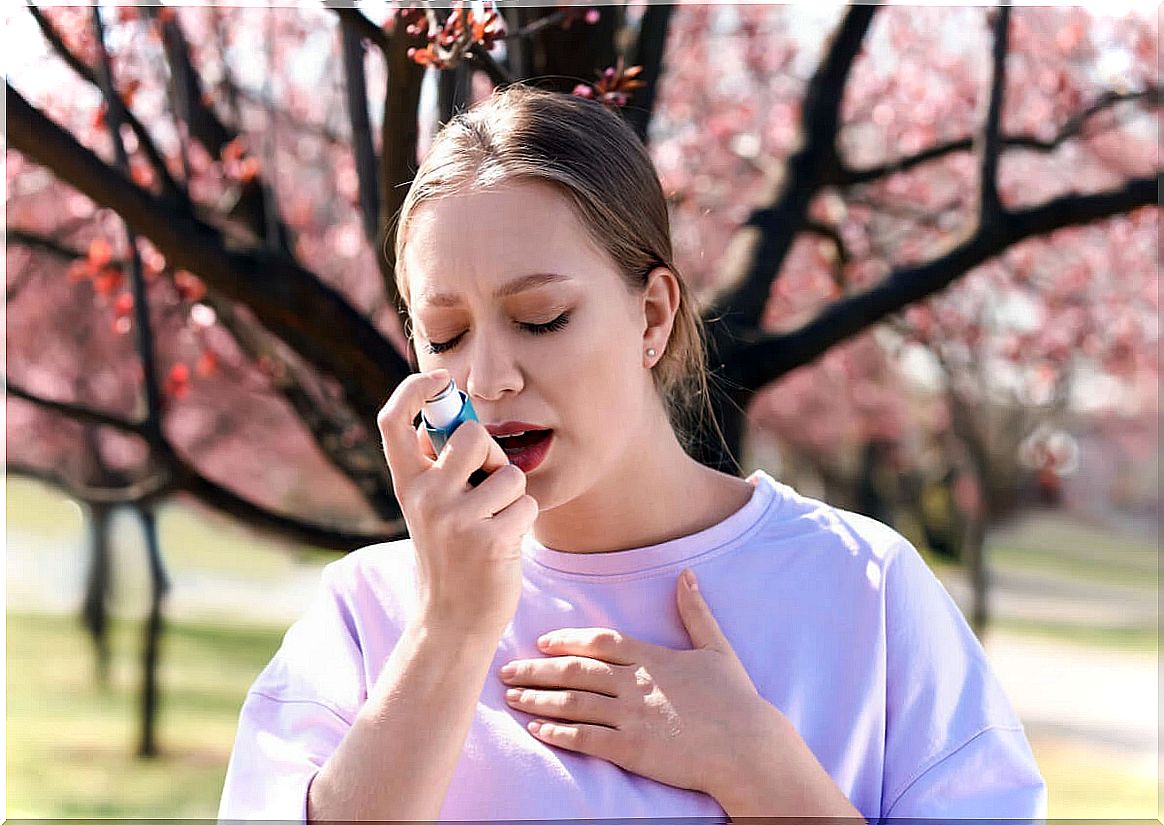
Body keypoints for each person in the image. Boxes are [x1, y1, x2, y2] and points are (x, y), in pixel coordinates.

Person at [218, 84, 1046, 823]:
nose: (490, 378)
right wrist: (448, 630)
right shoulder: (367, 614)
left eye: (541, 317)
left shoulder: (865, 589)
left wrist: (758, 769)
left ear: (651, 316)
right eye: (446, 335)